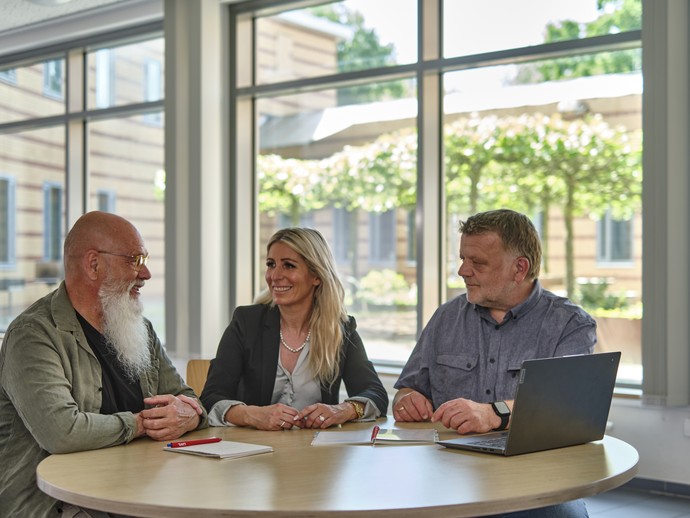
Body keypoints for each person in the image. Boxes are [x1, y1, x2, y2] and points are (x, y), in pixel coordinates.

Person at [0, 211, 208, 518]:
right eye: (134, 260)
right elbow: (61, 432)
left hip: (140, 490)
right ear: (94, 264)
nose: (147, 273)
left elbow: (185, 395)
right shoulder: (32, 335)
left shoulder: (140, 327)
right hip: (57, 504)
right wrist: (143, 423)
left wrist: (189, 415)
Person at [393, 209, 596, 518]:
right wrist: (407, 400)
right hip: (447, 478)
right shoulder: (446, 318)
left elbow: (570, 407)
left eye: (478, 263)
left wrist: (493, 414)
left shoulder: (570, 324)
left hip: (536, 485)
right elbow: (408, 388)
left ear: (519, 269)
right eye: (462, 258)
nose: (463, 271)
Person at [201, 227, 388, 430]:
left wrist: (342, 410)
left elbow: (375, 393)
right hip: (251, 452)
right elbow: (211, 397)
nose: (275, 275)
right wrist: (252, 415)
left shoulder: (340, 329)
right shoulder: (246, 322)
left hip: (317, 453)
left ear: (316, 276)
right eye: (271, 264)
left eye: (288, 266)